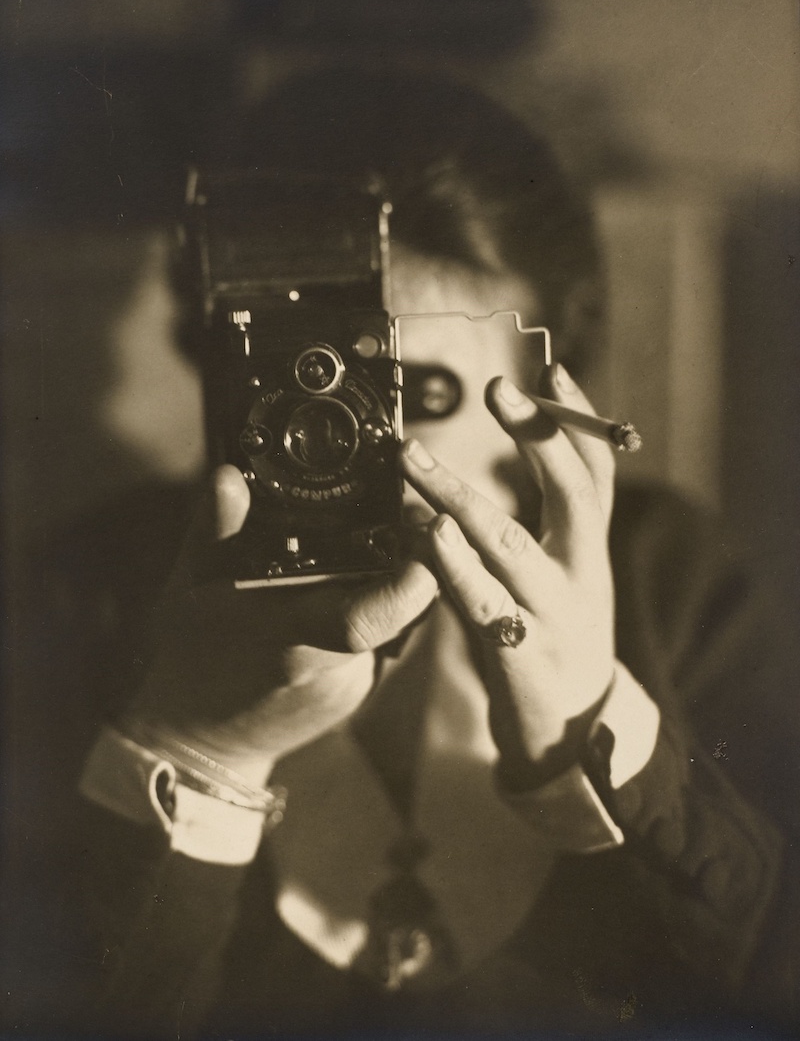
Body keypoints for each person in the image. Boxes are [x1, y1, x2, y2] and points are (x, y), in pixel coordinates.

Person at [7, 67, 798, 1039]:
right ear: (217, 360)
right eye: (315, 384)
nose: (361, 441)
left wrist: (594, 733)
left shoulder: (670, 578)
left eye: (414, 395)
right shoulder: (86, 587)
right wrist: (196, 748)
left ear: (538, 396)